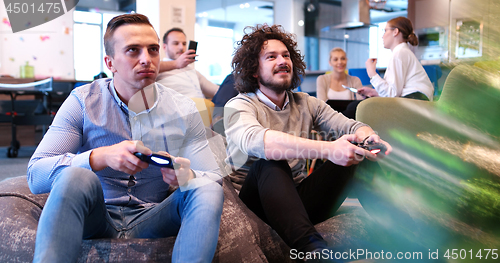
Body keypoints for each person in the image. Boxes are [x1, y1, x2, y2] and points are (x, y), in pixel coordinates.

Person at [27, 14, 224, 263]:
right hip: (97, 216)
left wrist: (187, 175)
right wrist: (101, 156)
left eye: (153, 50)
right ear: (110, 63)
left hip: (154, 215)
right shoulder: (83, 101)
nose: (146, 60)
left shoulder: (183, 108)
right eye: (133, 50)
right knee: (74, 175)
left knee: (205, 187)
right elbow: (35, 175)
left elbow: (214, 177)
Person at [224, 24, 393, 258]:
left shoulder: (305, 102)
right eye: (271, 57)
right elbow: (259, 141)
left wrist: (368, 137)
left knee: (360, 155)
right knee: (271, 161)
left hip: (298, 202)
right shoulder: (239, 105)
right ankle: (314, 252)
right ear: (254, 70)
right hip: (254, 209)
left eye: (286, 55)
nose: (282, 61)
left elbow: (349, 126)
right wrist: (329, 150)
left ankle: (404, 232)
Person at [360, 16, 434, 101]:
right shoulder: (402, 52)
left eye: (385, 31)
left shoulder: (399, 53)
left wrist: (371, 73)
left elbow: (392, 95)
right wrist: (375, 92)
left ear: (395, 32)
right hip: (418, 99)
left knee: (356, 107)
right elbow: (394, 92)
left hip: (415, 100)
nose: (382, 36)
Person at [156, 27, 219, 99]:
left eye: (184, 43)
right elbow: (150, 67)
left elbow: (216, 90)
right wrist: (176, 63)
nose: (181, 47)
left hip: (203, 107)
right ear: (164, 47)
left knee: (230, 80)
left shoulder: (191, 69)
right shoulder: (159, 68)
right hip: (183, 108)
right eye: (176, 43)